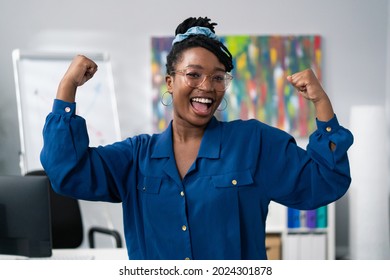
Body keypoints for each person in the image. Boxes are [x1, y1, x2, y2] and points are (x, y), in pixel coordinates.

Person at [40, 16, 353, 260]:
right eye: (193, 74)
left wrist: (321, 103)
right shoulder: (137, 157)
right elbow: (67, 172)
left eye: (218, 77)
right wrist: (67, 88)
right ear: (170, 82)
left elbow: (326, 181)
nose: (207, 86)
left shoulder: (253, 143)